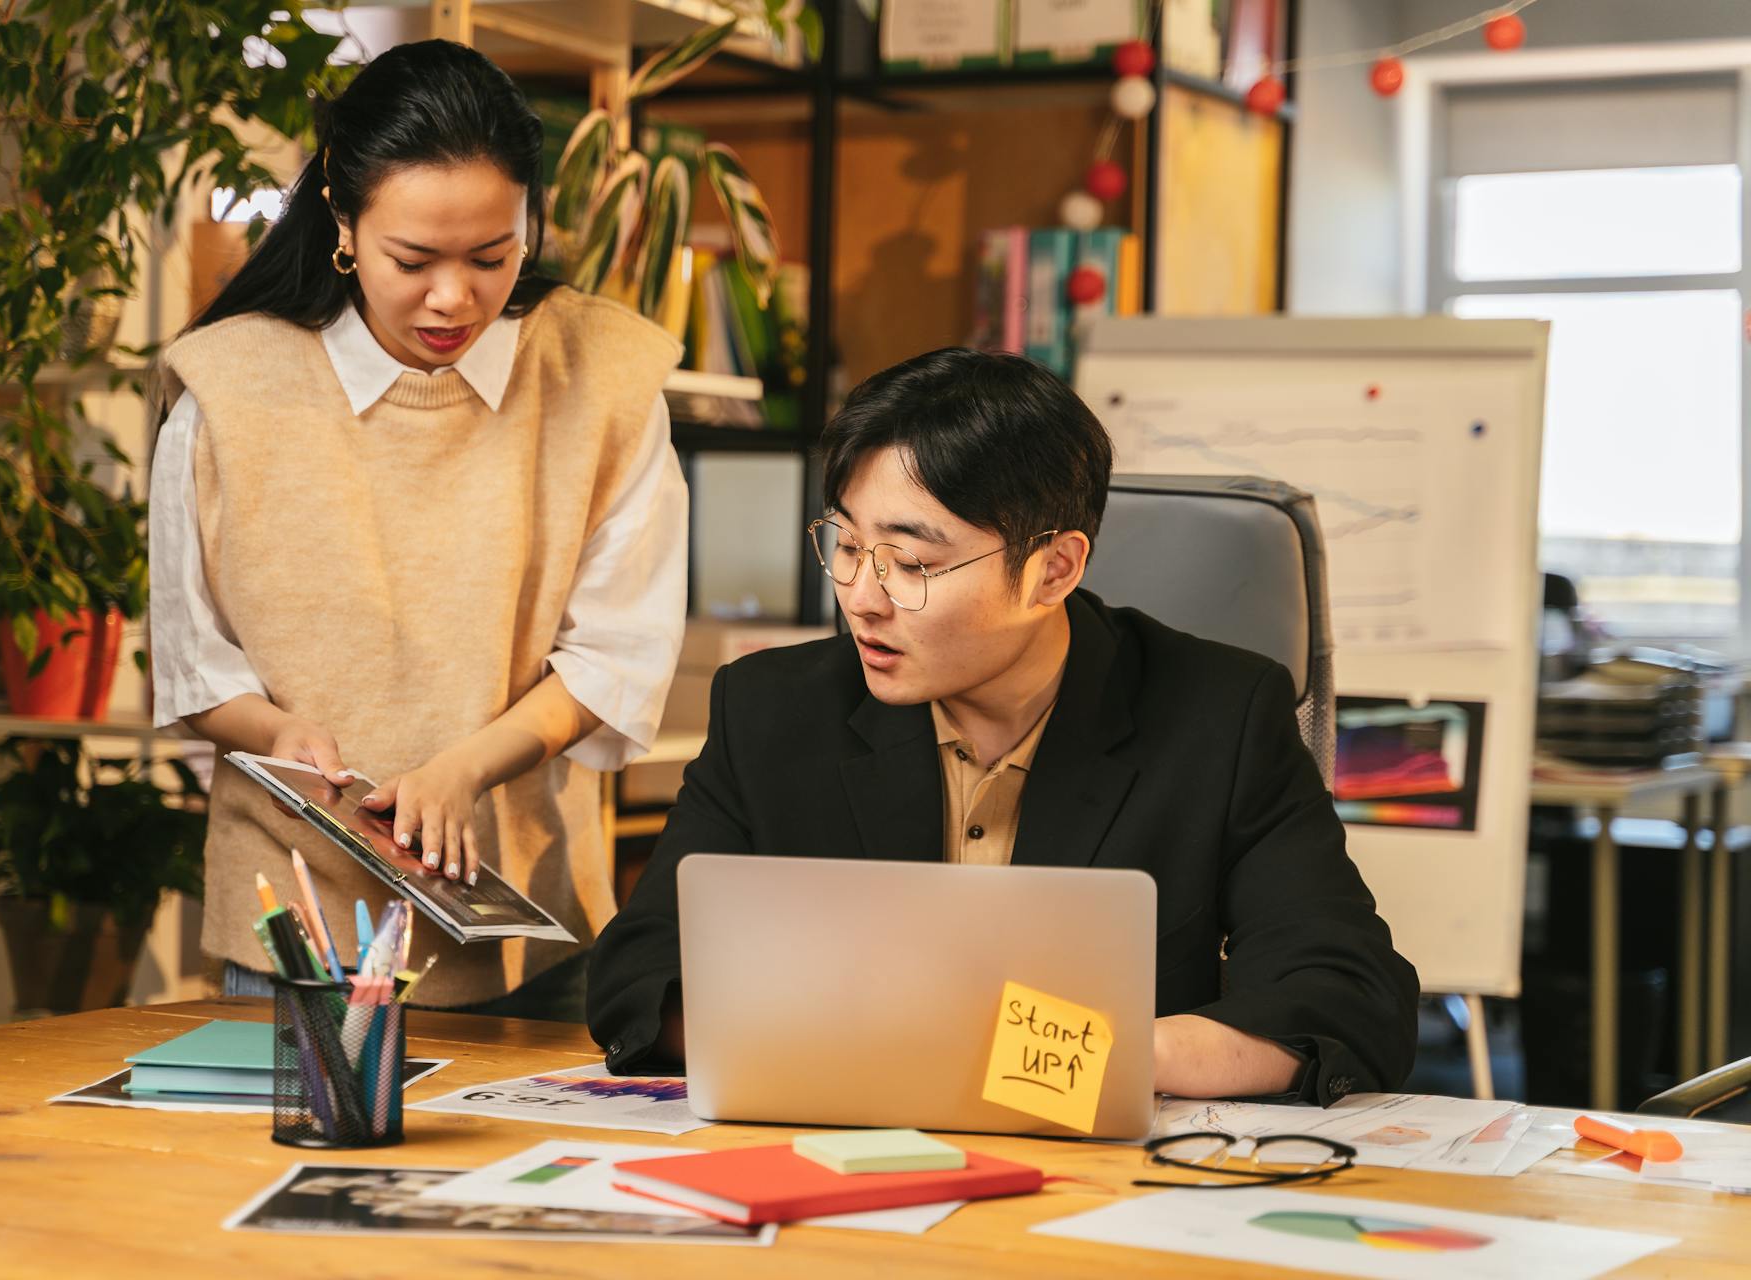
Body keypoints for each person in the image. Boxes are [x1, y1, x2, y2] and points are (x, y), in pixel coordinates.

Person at [587, 347, 1419, 1100]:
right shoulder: (773, 709)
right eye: (845, 545)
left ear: (1053, 569)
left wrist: (1060, 1062)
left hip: (1103, 1180)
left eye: (911, 562)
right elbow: (643, 972)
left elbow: (1345, 993)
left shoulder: (1218, 715)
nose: (863, 599)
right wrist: (871, 1053)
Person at [149, 40, 686, 1018]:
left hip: (533, 927)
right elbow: (193, 663)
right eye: (413, 259)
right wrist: (276, 729)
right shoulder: (229, 392)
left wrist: (465, 768)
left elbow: (617, 655)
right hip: (291, 923)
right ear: (344, 226)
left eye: (491, 255)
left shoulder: (599, 379)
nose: (454, 297)